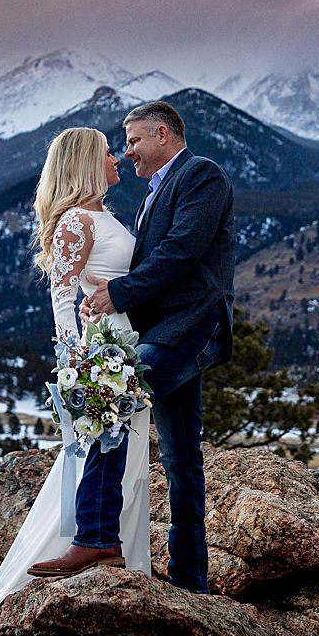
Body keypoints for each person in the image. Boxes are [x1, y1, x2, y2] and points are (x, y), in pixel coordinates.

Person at [0, 127, 151, 636]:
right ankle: (92, 542)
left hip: (125, 347)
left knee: (123, 457)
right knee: (101, 450)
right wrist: (78, 364)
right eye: (107, 151)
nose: (116, 158)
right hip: (99, 352)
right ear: (85, 162)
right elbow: (63, 294)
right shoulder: (75, 222)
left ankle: (109, 546)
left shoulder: (102, 215)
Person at [71, 100, 234, 594]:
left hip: (192, 328)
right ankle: (191, 583)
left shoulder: (201, 175)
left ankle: (96, 536)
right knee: (183, 459)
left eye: (135, 141)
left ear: (162, 134)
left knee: (110, 400)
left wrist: (117, 294)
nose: (128, 153)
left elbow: (181, 251)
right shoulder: (154, 192)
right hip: (164, 331)